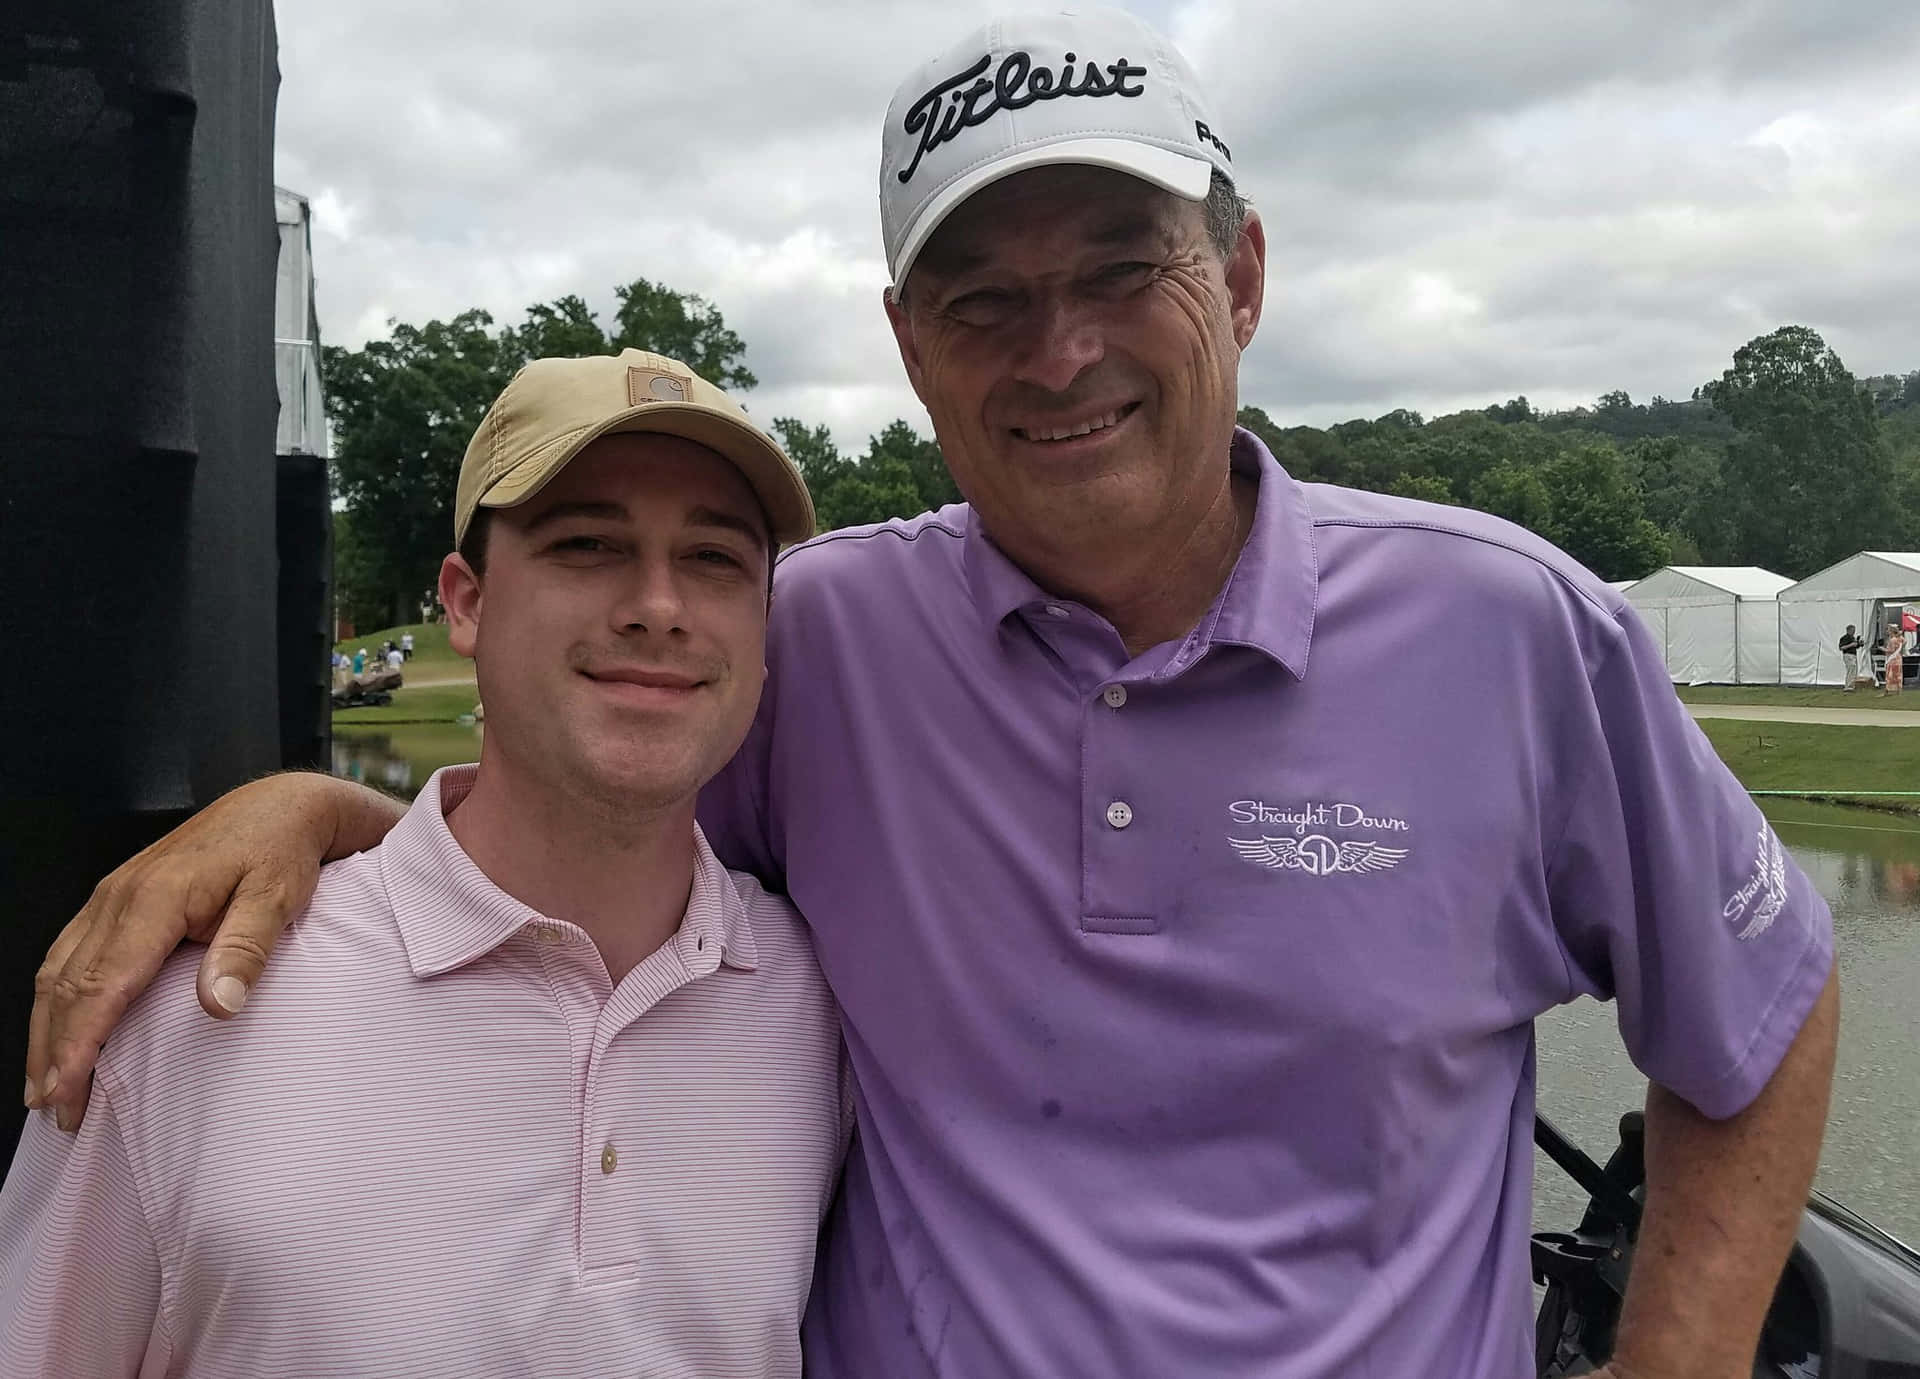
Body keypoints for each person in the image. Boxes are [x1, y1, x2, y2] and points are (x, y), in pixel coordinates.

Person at [25, 10, 1837, 1378]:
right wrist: (319, 810)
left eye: (1124, 270)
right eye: (981, 300)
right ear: (908, 344)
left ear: (1249, 274)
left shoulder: (1503, 627)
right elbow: (577, 801)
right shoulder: (818, 635)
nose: (1057, 351)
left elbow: (1764, 1011)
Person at [0, 351, 845, 1377]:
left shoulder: (821, 1005)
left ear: (761, 630)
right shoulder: (184, 1010)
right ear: (467, 602)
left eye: (714, 558)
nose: (658, 604)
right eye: (587, 543)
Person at [1883, 623, 1905, 695]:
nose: (1887, 631)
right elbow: (1904, 642)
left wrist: (1883, 649)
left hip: (1892, 659)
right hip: (1898, 658)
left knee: (1890, 674)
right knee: (1898, 675)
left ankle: (1888, 691)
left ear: (1891, 631)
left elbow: (1891, 650)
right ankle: (1898, 690)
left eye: (1888, 630)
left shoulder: (1892, 640)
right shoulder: (1899, 639)